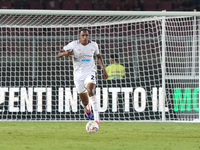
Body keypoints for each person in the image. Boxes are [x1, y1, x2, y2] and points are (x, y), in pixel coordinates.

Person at [57, 28, 108, 127]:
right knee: (85, 101)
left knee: (90, 90)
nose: (85, 37)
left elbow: (98, 56)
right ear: (79, 36)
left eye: (87, 35)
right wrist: (65, 53)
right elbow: (59, 54)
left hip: (90, 72)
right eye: (83, 36)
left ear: (89, 36)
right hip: (78, 75)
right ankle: (87, 108)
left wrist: (103, 69)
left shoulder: (94, 45)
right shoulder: (73, 45)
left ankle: (97, 120)